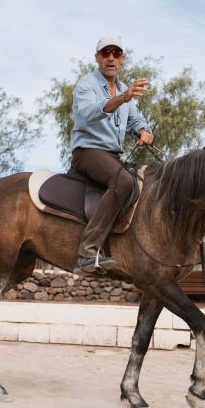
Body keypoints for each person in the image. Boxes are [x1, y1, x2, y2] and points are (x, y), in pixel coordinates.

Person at [70, 36, 154, 274]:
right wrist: (123, 97)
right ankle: (87, 251)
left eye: (116, 54)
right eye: (105, 53)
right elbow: (88, 113)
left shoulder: (123, 88)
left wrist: (144, 130)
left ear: (122, 59)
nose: (110, 58)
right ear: (97, 57)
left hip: (112, 156)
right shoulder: (86, 85)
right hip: (87, 152)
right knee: (123, 182)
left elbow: (135, 119)